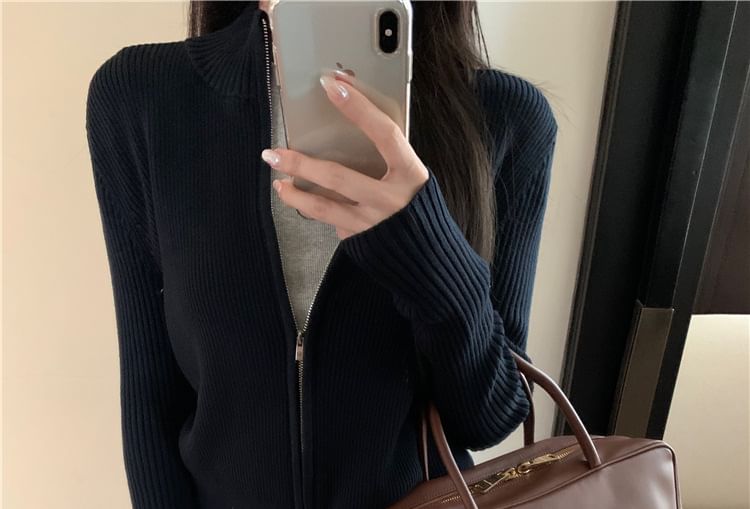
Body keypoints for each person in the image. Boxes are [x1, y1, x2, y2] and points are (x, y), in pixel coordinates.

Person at [85, 1, 558, 508]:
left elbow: (488, 419)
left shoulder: (506, 118)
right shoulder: (144, 96)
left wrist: (426, 249)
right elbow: (150, 395)